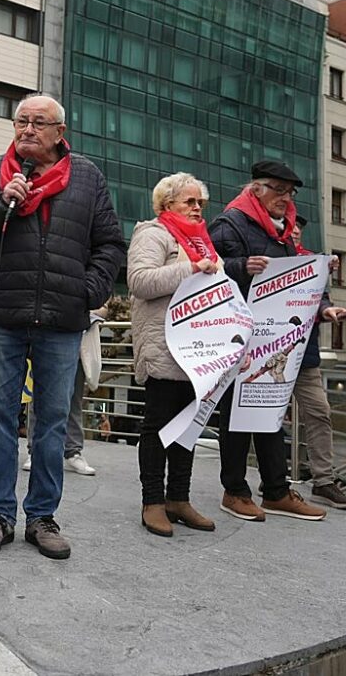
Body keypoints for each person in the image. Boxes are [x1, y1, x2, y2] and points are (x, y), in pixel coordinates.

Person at [0, 94, 125, 560]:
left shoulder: (87, 177)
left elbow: (110, 244)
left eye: (38, 123)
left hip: (62, 322)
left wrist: (87, 292)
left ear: (59, 133)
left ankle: (43, 517)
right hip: (5, 319)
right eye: (21, 121)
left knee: (50, 425)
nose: (27, 130)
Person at [208, 160, 342, 523]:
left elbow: (291, 281)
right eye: (279, 191)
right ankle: (234, 491)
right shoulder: (230, 223)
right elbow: (210, 268)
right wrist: (240, 266)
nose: (286, 198)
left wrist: (317, 279)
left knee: (269, 414)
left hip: (273, 340)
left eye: (290, 193)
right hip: (238, 336)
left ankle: (276, 491)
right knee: (236, 416)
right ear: (256, 190)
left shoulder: (282, 234)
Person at [128, 172, 219, 537]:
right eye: (190, 202)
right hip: (163, 348)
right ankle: (153, 501)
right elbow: (140, 281)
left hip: (197, 354)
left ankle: (178, 498)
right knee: (158, 427)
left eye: (201, 203)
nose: (198, 209)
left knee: (187, 430)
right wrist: (192, 268)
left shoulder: (202, 241)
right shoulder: (153, 234)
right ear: (167, 204)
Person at [289, 215, 346, 509]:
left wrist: (326, 310)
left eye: (298, 228)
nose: (294, 231)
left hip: (305, 356)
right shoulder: (266, 258)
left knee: (319, 412)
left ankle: (324, 481)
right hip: (267, 354)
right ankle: (273, 476)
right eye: (288, 226)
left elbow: (322, 299)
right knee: (265, 418)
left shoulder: (312, 264)